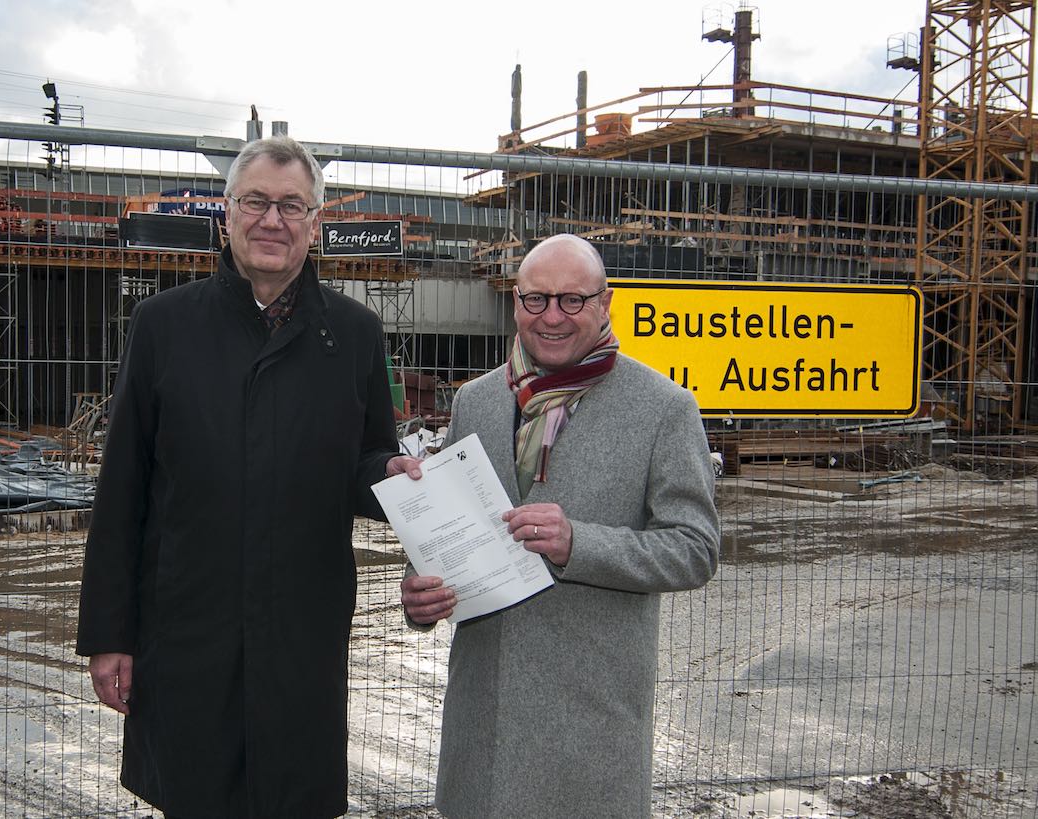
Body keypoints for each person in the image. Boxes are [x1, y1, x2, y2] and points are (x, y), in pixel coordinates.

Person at [77, 135, 420, 818]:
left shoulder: (355, 334)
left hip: (302, 629)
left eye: (292, 206)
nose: (273, 220)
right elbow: (122, 492)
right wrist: (108, 634)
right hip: (188, 627)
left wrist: (394, 473)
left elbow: (366, 459)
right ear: (227, 213)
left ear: (315, 223)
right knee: (198, 791)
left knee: (294, 792)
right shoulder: (163, 326)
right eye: (257, 201)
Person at [401, 234, 720, 818]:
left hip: (589, 725)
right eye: (535, 300)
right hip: (485, 720)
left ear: (605, 303)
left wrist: (581, 543)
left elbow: (695, 549)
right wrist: (418, 590)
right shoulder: (476, 401)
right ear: (515, 303)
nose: (551, 317)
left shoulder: (664, 408)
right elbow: (448, 524)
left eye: (572, 301)